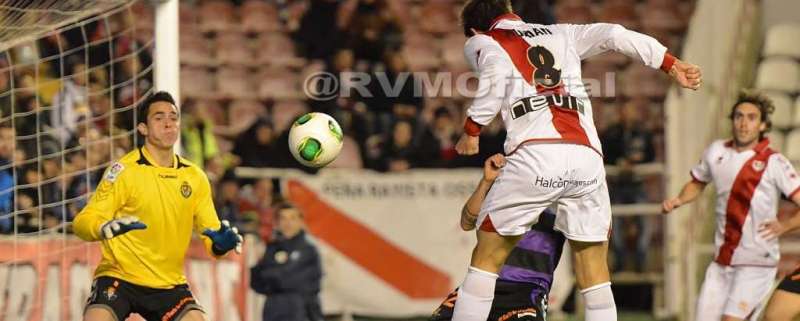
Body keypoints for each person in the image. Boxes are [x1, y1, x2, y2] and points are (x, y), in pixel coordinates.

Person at [451, 1, 702, 321]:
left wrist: (472, 129)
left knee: (486, 260)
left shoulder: (482, 40)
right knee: (594, 272)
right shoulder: (561, 33)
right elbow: (614, 33)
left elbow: (497, 73)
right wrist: (669, 62)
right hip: (586, 157)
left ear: (473, 29)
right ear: (510, 10)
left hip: (536, 153)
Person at [72, 91, 243, 321]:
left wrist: (221, 245)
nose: (168, 123)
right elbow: (82, 222)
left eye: (173, 117)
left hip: (168, 284)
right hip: (119, 276)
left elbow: (211, 236)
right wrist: (103, 228)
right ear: (142, 128)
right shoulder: (123, 171)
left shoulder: (195, 177)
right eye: (159, 118)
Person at [662, 91, 800, 321]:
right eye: (738, 116)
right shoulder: (716, 151)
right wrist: (679, 200)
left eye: (751, 117)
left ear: (763, 124)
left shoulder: (773, 162)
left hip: (757, 263)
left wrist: (785, 226)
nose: (744, 123)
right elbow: (698, 182)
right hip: (721, 263)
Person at [431, 154, 565, 321]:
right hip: (483, 280)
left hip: (526, 290)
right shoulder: (506, 178)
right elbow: (467, 222)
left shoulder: (564, 187)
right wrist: (486, 182)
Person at [250, 203, 324, 321]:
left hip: (302, 312)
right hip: (273, 311)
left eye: (292, 218)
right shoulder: (271, 248)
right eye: (283, 218)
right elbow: (255, 279)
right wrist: (276, 276)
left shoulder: (308, 250)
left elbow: (291, 280)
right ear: (277, 222)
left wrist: (271, 275)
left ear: (300, 221)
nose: (287, 223)